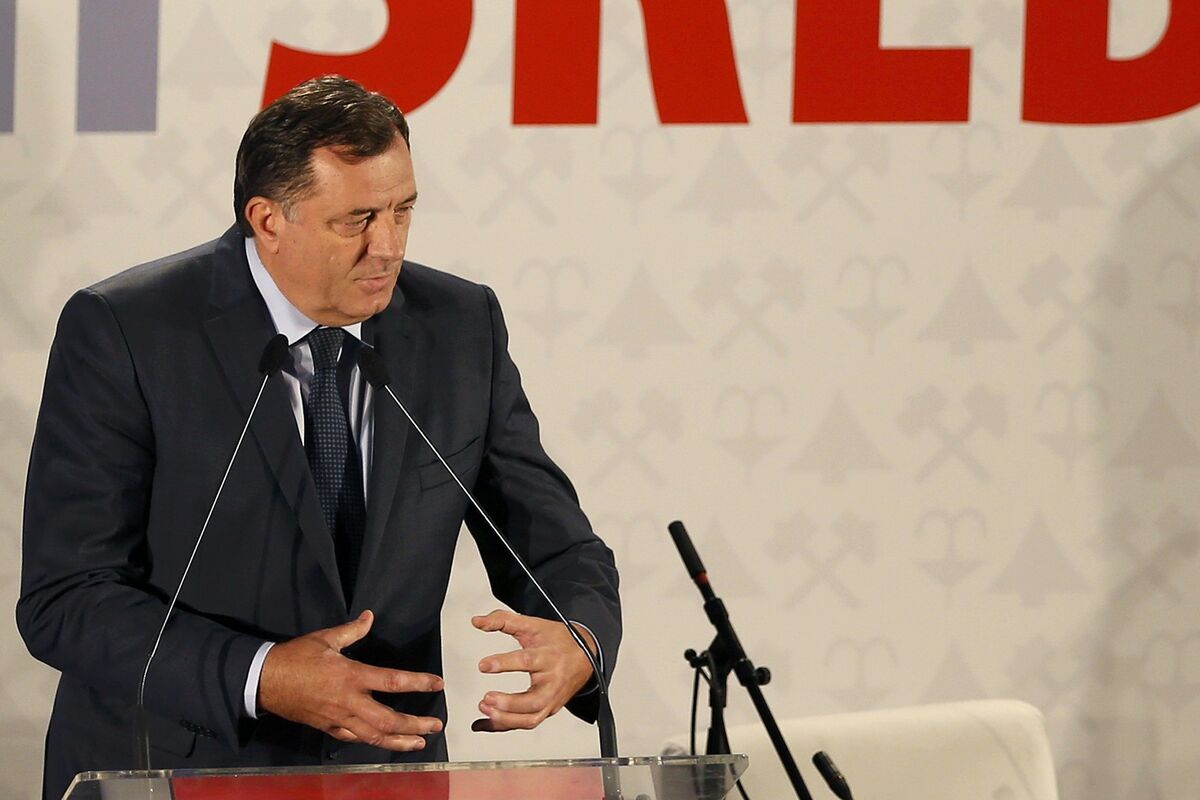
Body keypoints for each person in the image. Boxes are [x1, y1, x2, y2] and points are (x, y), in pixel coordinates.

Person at [17, 75, 620, 800]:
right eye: (356, 219)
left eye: (403, 210)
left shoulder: (459, 327)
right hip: (176, 768)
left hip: (387, 774)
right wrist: (263, 675)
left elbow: (556, 545)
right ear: (268, 220)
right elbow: (67, 597)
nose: (388, 247)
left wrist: (579, 637)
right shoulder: (127, 331)